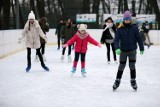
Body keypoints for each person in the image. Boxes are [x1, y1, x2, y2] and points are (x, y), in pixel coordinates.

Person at [112, 11, 144, 90]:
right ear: (123, 19)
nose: (127, 21)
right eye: (126, 19)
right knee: (121, 66)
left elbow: (139, 38)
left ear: (130, 19)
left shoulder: (134, 27)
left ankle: (133, 81)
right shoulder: (119, 28)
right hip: (123, 51)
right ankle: (117, 81)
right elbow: (116, 40)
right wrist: (117, 48)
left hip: (132, 51)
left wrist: (141, 48)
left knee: (132, 66)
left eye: (128, 19)